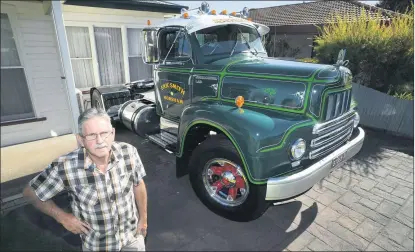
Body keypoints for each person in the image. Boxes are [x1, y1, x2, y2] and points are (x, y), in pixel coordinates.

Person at [23, 108, 148, 251]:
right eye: (91, 135)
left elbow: (138, 184)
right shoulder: (65, 166)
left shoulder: (129, 152)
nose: (100, 141)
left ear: (112, 133)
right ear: (81, 139)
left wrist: (143, 220)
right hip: (97, 246)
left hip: (132, 240)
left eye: (104, 133)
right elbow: (30, 192)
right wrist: (62, 217)